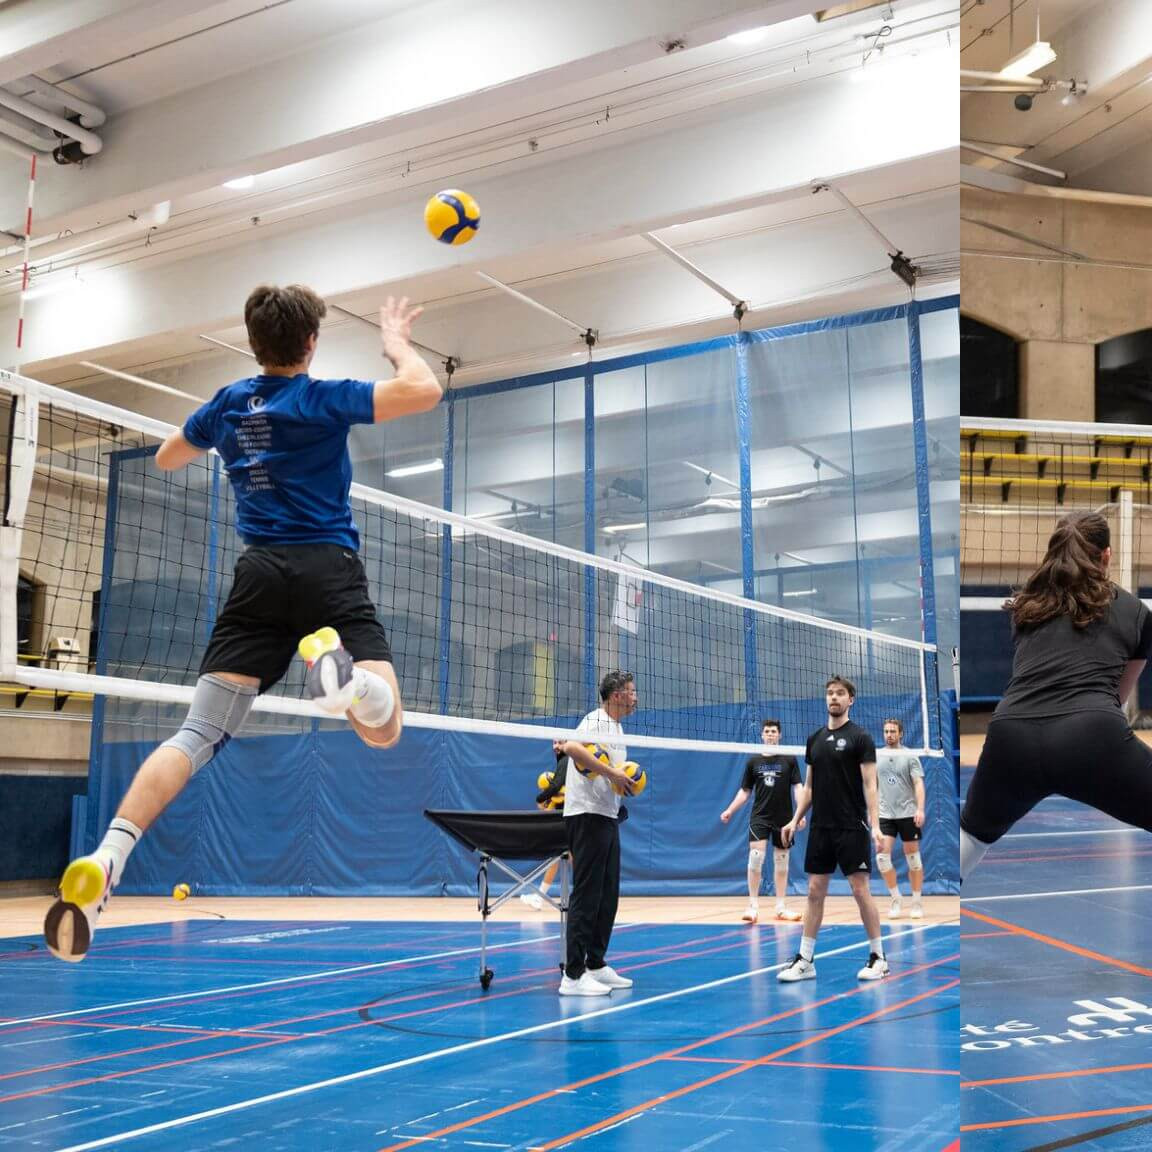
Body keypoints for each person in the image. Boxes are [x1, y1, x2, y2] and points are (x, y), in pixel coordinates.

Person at [43, 287, 441, 963]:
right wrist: (396, 342)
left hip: (256, 577)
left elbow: (169, 456)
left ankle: (109, 856)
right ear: (310, 343)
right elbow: (423, 390)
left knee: (196, 733)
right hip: (327, 568)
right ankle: (342, 680)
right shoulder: (323, 397)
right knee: (385, 728)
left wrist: (217, 439)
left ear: (253, 342)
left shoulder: (227, 403)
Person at [961, 512, 1152, 880]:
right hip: (1090, 732)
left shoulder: (1027, 606)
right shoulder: (1135, 612)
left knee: (973, 835)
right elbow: (1118, 696)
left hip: (1010, 733)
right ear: (1107, 555)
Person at [778, 676, 888, 982]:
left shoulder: (860, 737)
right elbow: (810, 787)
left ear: (850, 699)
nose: (833, 698)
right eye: (829, 693)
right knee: (814, 891)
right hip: (820, 827)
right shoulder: (814, 739)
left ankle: (878, 957)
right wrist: (793, 818)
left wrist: (876, 826)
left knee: (859, 889)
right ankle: (806, 959)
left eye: (840, 693)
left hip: (851, 825)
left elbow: (870, 785)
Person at [557, 670, 638, 996]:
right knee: (587, 895)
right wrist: (613, 772)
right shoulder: (597, 721)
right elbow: (572, 749)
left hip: (606, 815)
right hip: (585, 815)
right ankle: (573, 976)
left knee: (607, 894)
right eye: (631, 691)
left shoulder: (617, 728)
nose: (634, 696)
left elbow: (611, 775)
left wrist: (621, 783)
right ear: (616, 694)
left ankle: (595, 963)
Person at [720, 719, 805, 923]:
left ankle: (781, 907)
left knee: (782, 861)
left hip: (784, 817)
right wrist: (730, 810)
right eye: (766, 731)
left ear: (779, 735)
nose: (770, 734)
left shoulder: (789, 759)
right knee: (756, 856)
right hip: (760, 816)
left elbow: (798, 788)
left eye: (773, 731)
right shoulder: (753, 762)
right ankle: (752, 906)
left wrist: (799, 816)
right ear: (762, 735)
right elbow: (745, 791)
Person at [876, 718, 925, 919]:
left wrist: (920, 809)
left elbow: (918, 784)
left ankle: (916, 902)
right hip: (885, 814)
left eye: (893, 731)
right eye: (886, 731)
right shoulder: (876, 755)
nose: (889, 735)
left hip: (907, 813)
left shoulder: (910, 756)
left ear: (901, 733)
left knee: (913, 859)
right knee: (881, 858)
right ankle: (896, 898)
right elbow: (872, 786)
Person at [521, 742, 568, 911]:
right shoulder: (562, 765)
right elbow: (557, 793)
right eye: (554, 742)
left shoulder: (567, 761)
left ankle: (540, 896)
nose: (556, 746)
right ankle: (540, 897)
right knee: (560, 858)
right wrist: (548, 804)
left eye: (560, 742)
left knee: (565, 858)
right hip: (566, 819)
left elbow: (557, 787)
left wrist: (541, 798)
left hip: (574, 820)